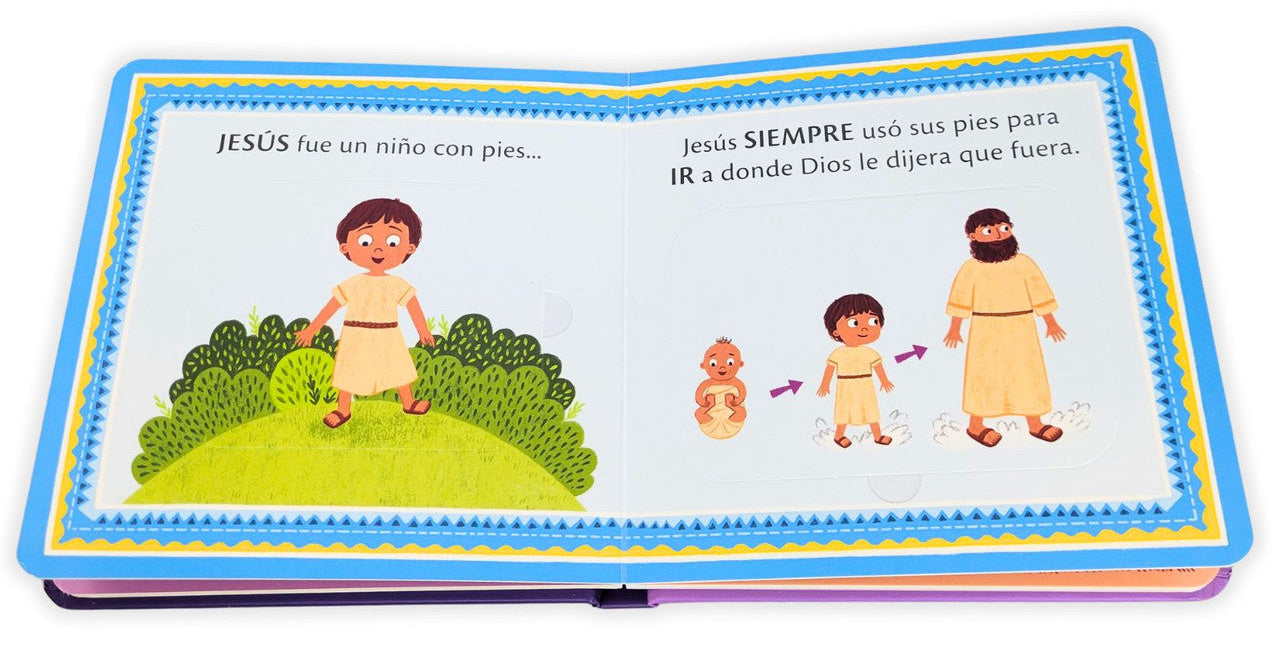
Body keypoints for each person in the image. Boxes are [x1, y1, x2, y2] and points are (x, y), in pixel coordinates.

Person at [296, 198, 436, 428]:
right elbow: (332, 306)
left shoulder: (397, 284)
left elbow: (412, 305)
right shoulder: (353, 283)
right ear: (345, 247)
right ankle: (343, 409)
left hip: (388, 334)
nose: (378, 249)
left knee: (399, 368)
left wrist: (424, 331)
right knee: (348, 372)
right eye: (366, 241)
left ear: (409, 247)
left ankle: (409, 403)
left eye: (392, 241)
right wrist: (311, 330)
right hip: (356, 334)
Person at [943, 208, 1067, 447]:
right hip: (985, 330)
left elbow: (1039, 292)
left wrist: (1050, 323)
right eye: (989, 230)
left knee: (1027, 374)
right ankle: (975, 425)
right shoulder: (971, 268)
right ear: (973, 236)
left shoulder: (1024, 263)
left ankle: (1035, 424)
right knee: (984, 376)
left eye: (1003, 228)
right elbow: (960, 298)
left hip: (1022, 328)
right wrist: (955, 328)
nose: (999, 235)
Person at [816, 294, 895, 448]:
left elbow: (878, 367)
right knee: (843, 412)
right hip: (845, 386)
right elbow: (830, 369)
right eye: (854, 323)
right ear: (836, 331)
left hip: (865, 385)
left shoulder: (870, 352)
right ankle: (838, 436)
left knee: (871, 410)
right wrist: (825, 384)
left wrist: (884, 381)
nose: (864, 328)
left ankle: (878, 436)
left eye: (873, 321)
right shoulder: (838, 353)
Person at [694, 337, 747, 439]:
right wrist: (704, 403)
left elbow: (742, 392)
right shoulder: (707, 384)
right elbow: (699, 394)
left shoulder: (736, 383)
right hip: (709, 421)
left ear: (740, 364)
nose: (722, 367)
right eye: (713, 363)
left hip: (732, 421)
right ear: (703, 365)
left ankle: (734, 409)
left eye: (730, 363)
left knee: (741, 412)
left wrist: (736, 402)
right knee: (698, 413)